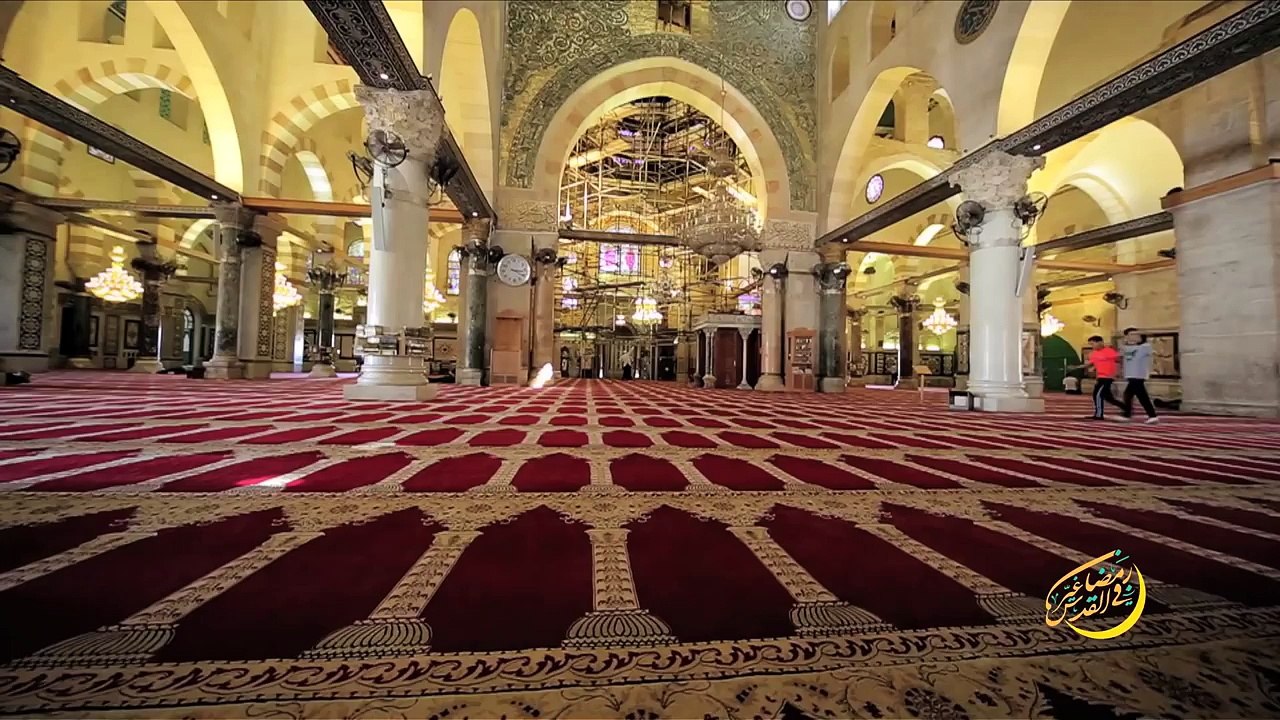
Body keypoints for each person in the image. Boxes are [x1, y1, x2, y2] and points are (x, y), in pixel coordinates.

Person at [1067, 335, 1124, 420]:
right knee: (1108, 398)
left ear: (1100, 342)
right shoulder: (1094, 354)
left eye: (1093, 344)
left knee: (1098, 395)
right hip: (1100, 377)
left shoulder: (1109, 351)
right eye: (1091, 344)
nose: (1092, 346)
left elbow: (1119, 360)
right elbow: (1089, 364)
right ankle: (1125, 407)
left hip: (1107, 377)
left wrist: (1118, 373)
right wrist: (1076, 367)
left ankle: (1099, 415)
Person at [1119, 327, 1159, 424]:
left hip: (1138, 375)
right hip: (1130, 374)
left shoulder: (1145, 347)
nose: (1134, 336)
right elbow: (1122, 354)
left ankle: (1152, 416)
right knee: (1128, 395)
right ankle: (1127, 415)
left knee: (1142, 396)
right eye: (1131, 335)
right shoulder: (1126, 347)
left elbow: (1152, 352)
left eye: (1136, 334)